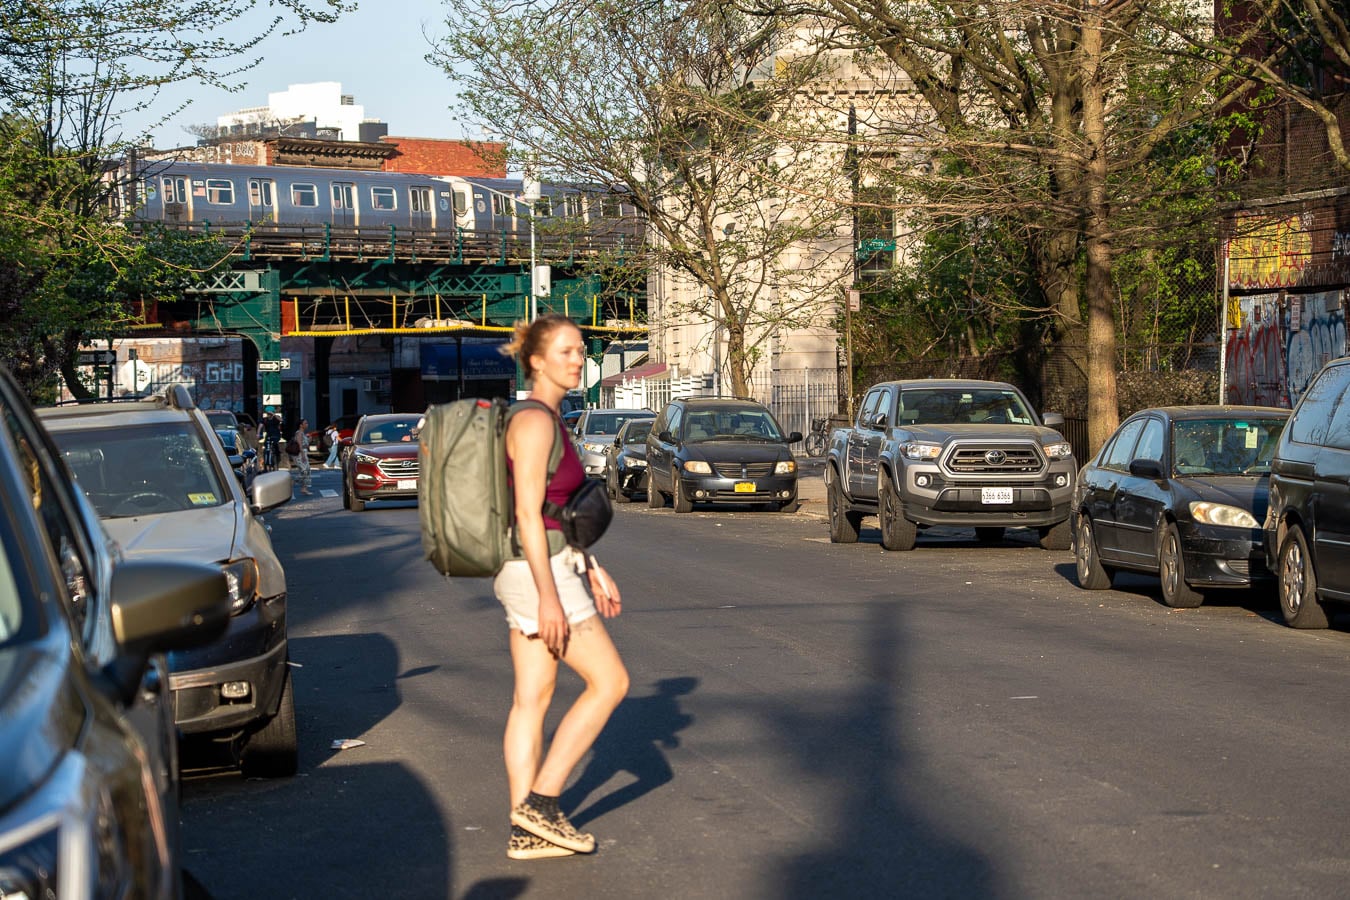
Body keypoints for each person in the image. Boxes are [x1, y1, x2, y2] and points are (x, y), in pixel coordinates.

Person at [495, 314, 628, 861]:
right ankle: (541, 803)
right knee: (610, 682)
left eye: (581, 350)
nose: (578, 359)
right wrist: (552, 595)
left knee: (533, 698)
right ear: (537, 361)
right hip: (537, 573)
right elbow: (527, 514)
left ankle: (527, 833)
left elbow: (555, 511)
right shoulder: (533, 423)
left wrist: (589, 564)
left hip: (542, 565)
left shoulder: (550, 417)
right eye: (568, 351)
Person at [292, 418, 311, 494]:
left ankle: (304, 488)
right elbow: (299, 445)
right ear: (301, 425)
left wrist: (309, 439)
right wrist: (303, 455)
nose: (307, 424)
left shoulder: (303, 434)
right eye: (305, 423)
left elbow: (305, 444)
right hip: (300, 454)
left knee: (307, 471)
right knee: (304, 471)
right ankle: (292, 482)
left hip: (304, 453)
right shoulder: (299, 433)